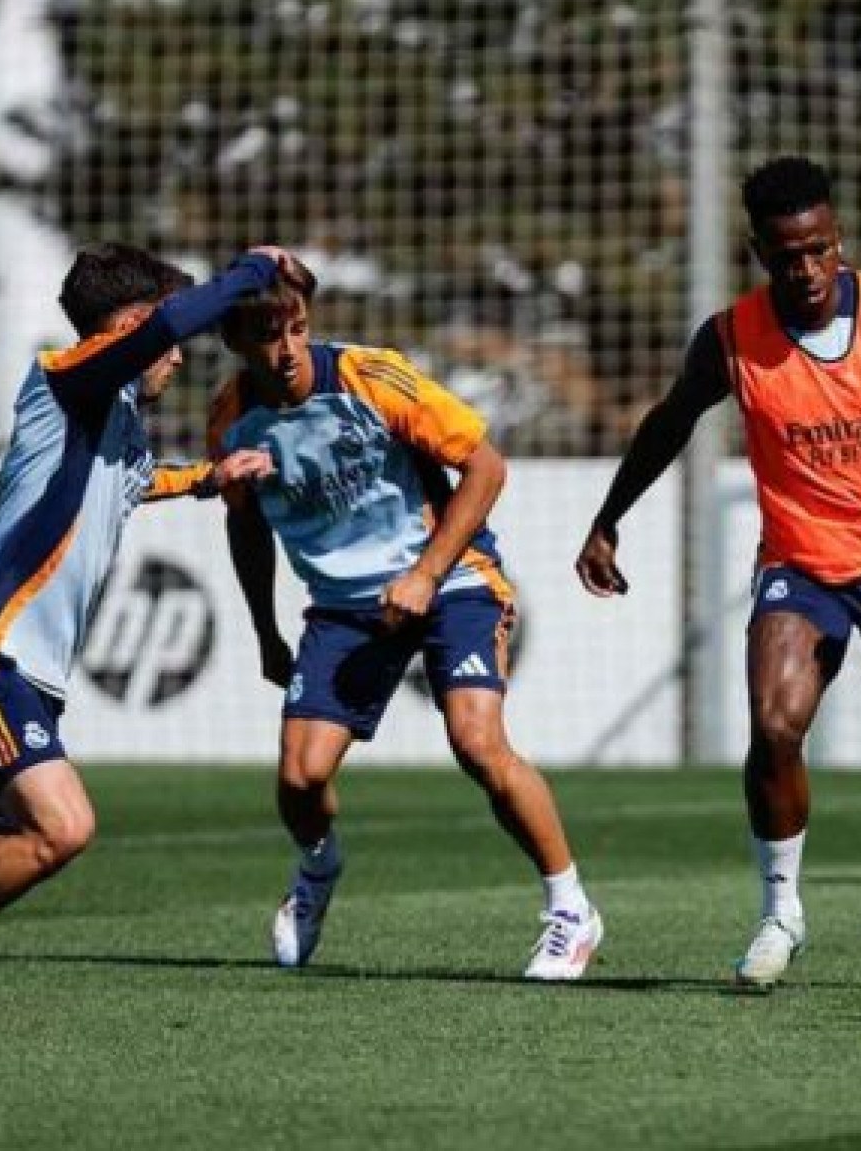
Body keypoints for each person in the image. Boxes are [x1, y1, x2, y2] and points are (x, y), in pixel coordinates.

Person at [574, 155, 861, 988]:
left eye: (820, 250)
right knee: (776, 722)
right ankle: (781, 911)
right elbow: (669, 422)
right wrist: (609, 518)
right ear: (761, 253)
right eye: (789, 255)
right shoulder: (731, 338)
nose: (807, 269)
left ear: (838, 240)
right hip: (803, 564)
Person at [0, 243, 288, 1012]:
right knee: (65, 826)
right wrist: (252, 273)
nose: (177, 361)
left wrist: (212, 479)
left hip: (24, 674)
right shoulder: (67, 376)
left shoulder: (115, 417)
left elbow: (139, 482)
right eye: (169, 343)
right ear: (133, 325)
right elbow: (164, 329)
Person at [209, 257, 601, 982]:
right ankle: (318, 869)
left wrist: (425, 572)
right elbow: (247, 526)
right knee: (300, 777)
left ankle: (570, 907)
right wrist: (265, 630)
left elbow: (486, 466)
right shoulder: (232, 421)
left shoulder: (370, 377)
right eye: (267, 335)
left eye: (297, 328)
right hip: (342, 608)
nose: (287, 348)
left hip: (451, 579)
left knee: (478, 741)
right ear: (232, 337)